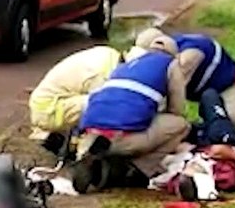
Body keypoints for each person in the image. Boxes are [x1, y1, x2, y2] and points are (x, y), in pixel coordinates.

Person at [74, 35, 190, 192]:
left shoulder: (123, 66)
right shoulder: (171, 64)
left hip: (90, 132)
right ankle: (140, 169)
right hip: (122, 137)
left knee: (124, 121)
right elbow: (177, 109)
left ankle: (92, 157)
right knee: (181, 124)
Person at [136, 27, 235, 130]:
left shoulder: (189, 55)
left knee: (230, 125)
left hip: (225, 86)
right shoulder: (168, 51)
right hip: (199, 89)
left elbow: (173, 94)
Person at [28, 45, 122, 141]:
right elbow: (101, 109)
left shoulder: (109, 54)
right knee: (100, 103)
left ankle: (48, 133)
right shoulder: (101, 76)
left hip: (44, 104)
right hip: (50, 111)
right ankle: (79, 145)